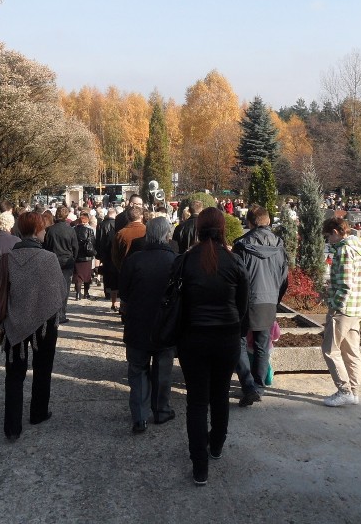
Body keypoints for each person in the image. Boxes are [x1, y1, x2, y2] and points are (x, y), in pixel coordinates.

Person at [177, 208, 248, 486]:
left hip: (193, 337)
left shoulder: (185, 260)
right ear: (222, 229)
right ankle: (216, 445)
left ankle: (200, 466)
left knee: (196, 401)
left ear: (197, 228)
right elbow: (242, 307)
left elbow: (175, 300)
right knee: (219, 396)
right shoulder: (234, 261)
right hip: (226, 337)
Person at [0, 211, 67, 441]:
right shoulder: (49, 259)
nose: (45, 233)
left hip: (13, 322)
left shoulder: (6, 259)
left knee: (14, 374)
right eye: (43, 229)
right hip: (45, 324)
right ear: (36, 231)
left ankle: (12, 426)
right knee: (43, 369)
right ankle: (38, 412)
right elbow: (60, 292)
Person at [118, 217, 178, 434]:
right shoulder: (176, 261)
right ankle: (161, 411)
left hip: (138, 324)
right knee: (163, 371)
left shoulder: (134, 260)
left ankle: (140, 417)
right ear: (167, 235)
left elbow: (123, 293)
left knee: (138, 371)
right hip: (166, 326)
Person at [232, 204, 289, 406]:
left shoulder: (241, 245)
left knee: (238, 342)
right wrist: (275, 299)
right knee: (262, 344)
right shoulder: (279, 245)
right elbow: (284, 278)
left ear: (249, 222)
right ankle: (258, 385)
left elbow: (236, 278)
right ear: (268, 222)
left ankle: (249, 386)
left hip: (247, 301)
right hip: (269, 300)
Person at [321, 217, 361, 407]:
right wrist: (360, 300)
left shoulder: (343, 251)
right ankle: (354, 391)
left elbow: (345, 284)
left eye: (328, 237)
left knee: (330, 350)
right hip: (356, 308)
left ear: (335, 232)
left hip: (342, 310)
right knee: (351, 351)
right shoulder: (359, 247)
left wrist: (335, 304)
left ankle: (344, 390)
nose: (328, 241)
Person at [43, 205, 79, 323]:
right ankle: (62, 314)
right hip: (66, 262)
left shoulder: (50, 230)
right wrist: (73, 259)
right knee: (65, 288)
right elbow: (75, 247)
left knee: (53, 289)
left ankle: (54, 314)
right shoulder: (70, 230)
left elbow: (46, 246)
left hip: (53, 261)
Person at [111, 205, 146, 272]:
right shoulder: (148, 231)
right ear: (141, 217)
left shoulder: (120, 233)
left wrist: (121, 269)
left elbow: (115, 256)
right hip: (144, 271)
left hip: (125, 270)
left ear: (127, 217)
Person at [96, 207, 118, 307]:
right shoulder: (116, 224)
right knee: (114, 272)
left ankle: (107, 292)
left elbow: (99, 240)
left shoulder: (101, 225)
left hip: (104, 252)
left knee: (106, 273)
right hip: (113, 251)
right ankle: (114, 291)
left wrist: (99, 254)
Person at [73, 211, 95, 300]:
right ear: (86, 221)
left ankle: (78, 294)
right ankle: (86, 293)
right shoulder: (90, 230)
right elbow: (93, 242)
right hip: (87, 256)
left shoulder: (73, 229)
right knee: (87, 275)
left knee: (78, 276)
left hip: (77, 256)